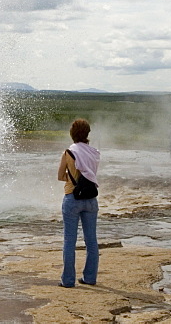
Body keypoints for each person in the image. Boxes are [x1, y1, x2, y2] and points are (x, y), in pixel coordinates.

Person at [57, 118, 100, 288]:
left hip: (72, 198)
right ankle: (90, 278)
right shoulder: (94, 153)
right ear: (87, 133)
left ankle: (68, 281)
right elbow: (91, 174)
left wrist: (71, 177)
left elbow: (60, 176)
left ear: (72, 134)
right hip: (91, 199)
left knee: (69, 240)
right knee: (91, 241)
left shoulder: (69, 152)